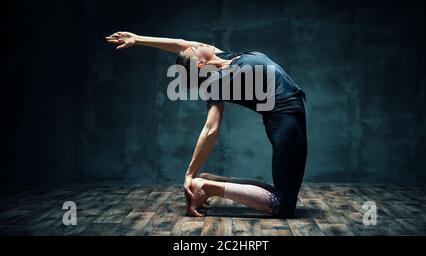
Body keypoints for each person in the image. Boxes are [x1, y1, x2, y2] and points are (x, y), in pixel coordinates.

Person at [105, 32, 307, 218]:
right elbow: (210, 129)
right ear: (200, 63)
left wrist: (138, 39)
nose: (196, 43)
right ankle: (207, 186)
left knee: (279, 193)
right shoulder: (216, 83)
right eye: (194, 48)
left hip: (289, 115)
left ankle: (213, 181)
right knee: (282, 206)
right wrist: (189, 174)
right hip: (286, 119)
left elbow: (179, 44)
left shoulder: (225, 57)